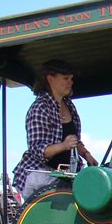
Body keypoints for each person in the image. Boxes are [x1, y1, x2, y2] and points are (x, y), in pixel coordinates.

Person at [12, 59, 98, 200]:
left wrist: (87, 155)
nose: (70, 82)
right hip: (41, 174)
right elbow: (38, 150)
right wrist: (64, 145)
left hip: (66, 173)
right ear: (50, 79)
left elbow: (75, 141)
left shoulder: (69, 105)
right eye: (65, 78)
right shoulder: (40, 108)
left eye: (71, 78)